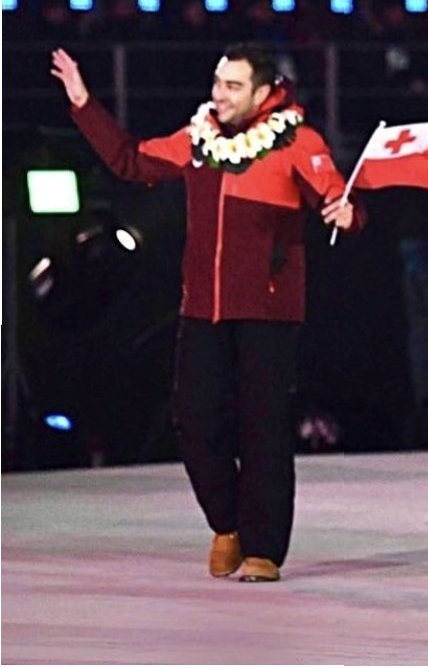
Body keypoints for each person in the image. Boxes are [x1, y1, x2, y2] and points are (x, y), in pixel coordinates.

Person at [50, 43, 363, 583]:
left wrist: (348, 213)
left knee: (264, 429)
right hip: (202, 307)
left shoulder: (298, 142)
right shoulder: (197, 139)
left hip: (267, 309)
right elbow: (131, 161)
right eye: (218, 83)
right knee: (194, 422)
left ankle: (264, 550)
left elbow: (338, 200)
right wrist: (83, 102)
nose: (220, 94)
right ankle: (227, 525)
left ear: (264, 93)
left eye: (233, 86)